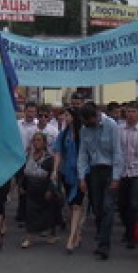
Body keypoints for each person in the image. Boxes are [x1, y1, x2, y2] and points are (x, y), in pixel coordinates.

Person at [77, 103, 124, 261]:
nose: (87, 124)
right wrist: (82, 176)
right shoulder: (84, 129)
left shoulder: (111, 126)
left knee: (107, 207)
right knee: (97, 207)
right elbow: (83, 153)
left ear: (95, 116)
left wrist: (116, 177)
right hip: (95, 171)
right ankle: (101, 234)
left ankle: (105, 245)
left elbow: (118, 151)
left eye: (88, 120)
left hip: (110, 169)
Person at [117, 103, 138, 249]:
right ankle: (127, 227)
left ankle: (132, 233)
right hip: (121, 171)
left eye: (134, 111)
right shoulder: (119, 130)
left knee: (134, 204)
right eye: (129, 111)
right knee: (122, 204)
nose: (131, 114)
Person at [53, 107, 84, 253]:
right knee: (71, 205)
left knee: (77, 204)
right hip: (67, 173)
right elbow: (58, 152)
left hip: (82, 173)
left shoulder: (83, 133)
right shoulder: (63, 133)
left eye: (67, 114)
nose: (64, 117)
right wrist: (54, 170)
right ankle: (76, 232)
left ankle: (71, 238)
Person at [19, 132, 58, 249]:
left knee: (48, 212)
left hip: (44, 188)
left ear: (44, 143)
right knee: (30, 213)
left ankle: (51, 234)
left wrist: (50, 190)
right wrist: (21, 186)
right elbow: (23, 174)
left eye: (39, 140)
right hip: (31, 189)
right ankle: (29, 238)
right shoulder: (28, 157)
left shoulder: (49, 159)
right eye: (35, 140)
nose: (36, 143)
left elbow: (53, 176)